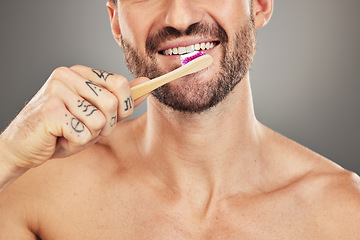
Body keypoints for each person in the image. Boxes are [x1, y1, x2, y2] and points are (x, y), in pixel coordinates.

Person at [0, 0, 359, 238]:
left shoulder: (345, 216)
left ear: (260, 4)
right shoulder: (34, 186)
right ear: (115, 20)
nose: (180, 18)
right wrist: (6, 155)